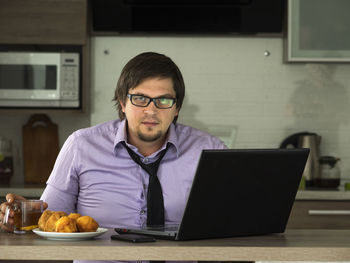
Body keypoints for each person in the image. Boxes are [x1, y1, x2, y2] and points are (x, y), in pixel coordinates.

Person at [0, 52, 227, 262]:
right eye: (140, 98)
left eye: (164, 100)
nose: (151, 110)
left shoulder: (209, 151)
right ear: (122, 102)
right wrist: (24, 217)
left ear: (176, 108)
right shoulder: (81, 146)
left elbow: (232, 222)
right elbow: (49, 221)